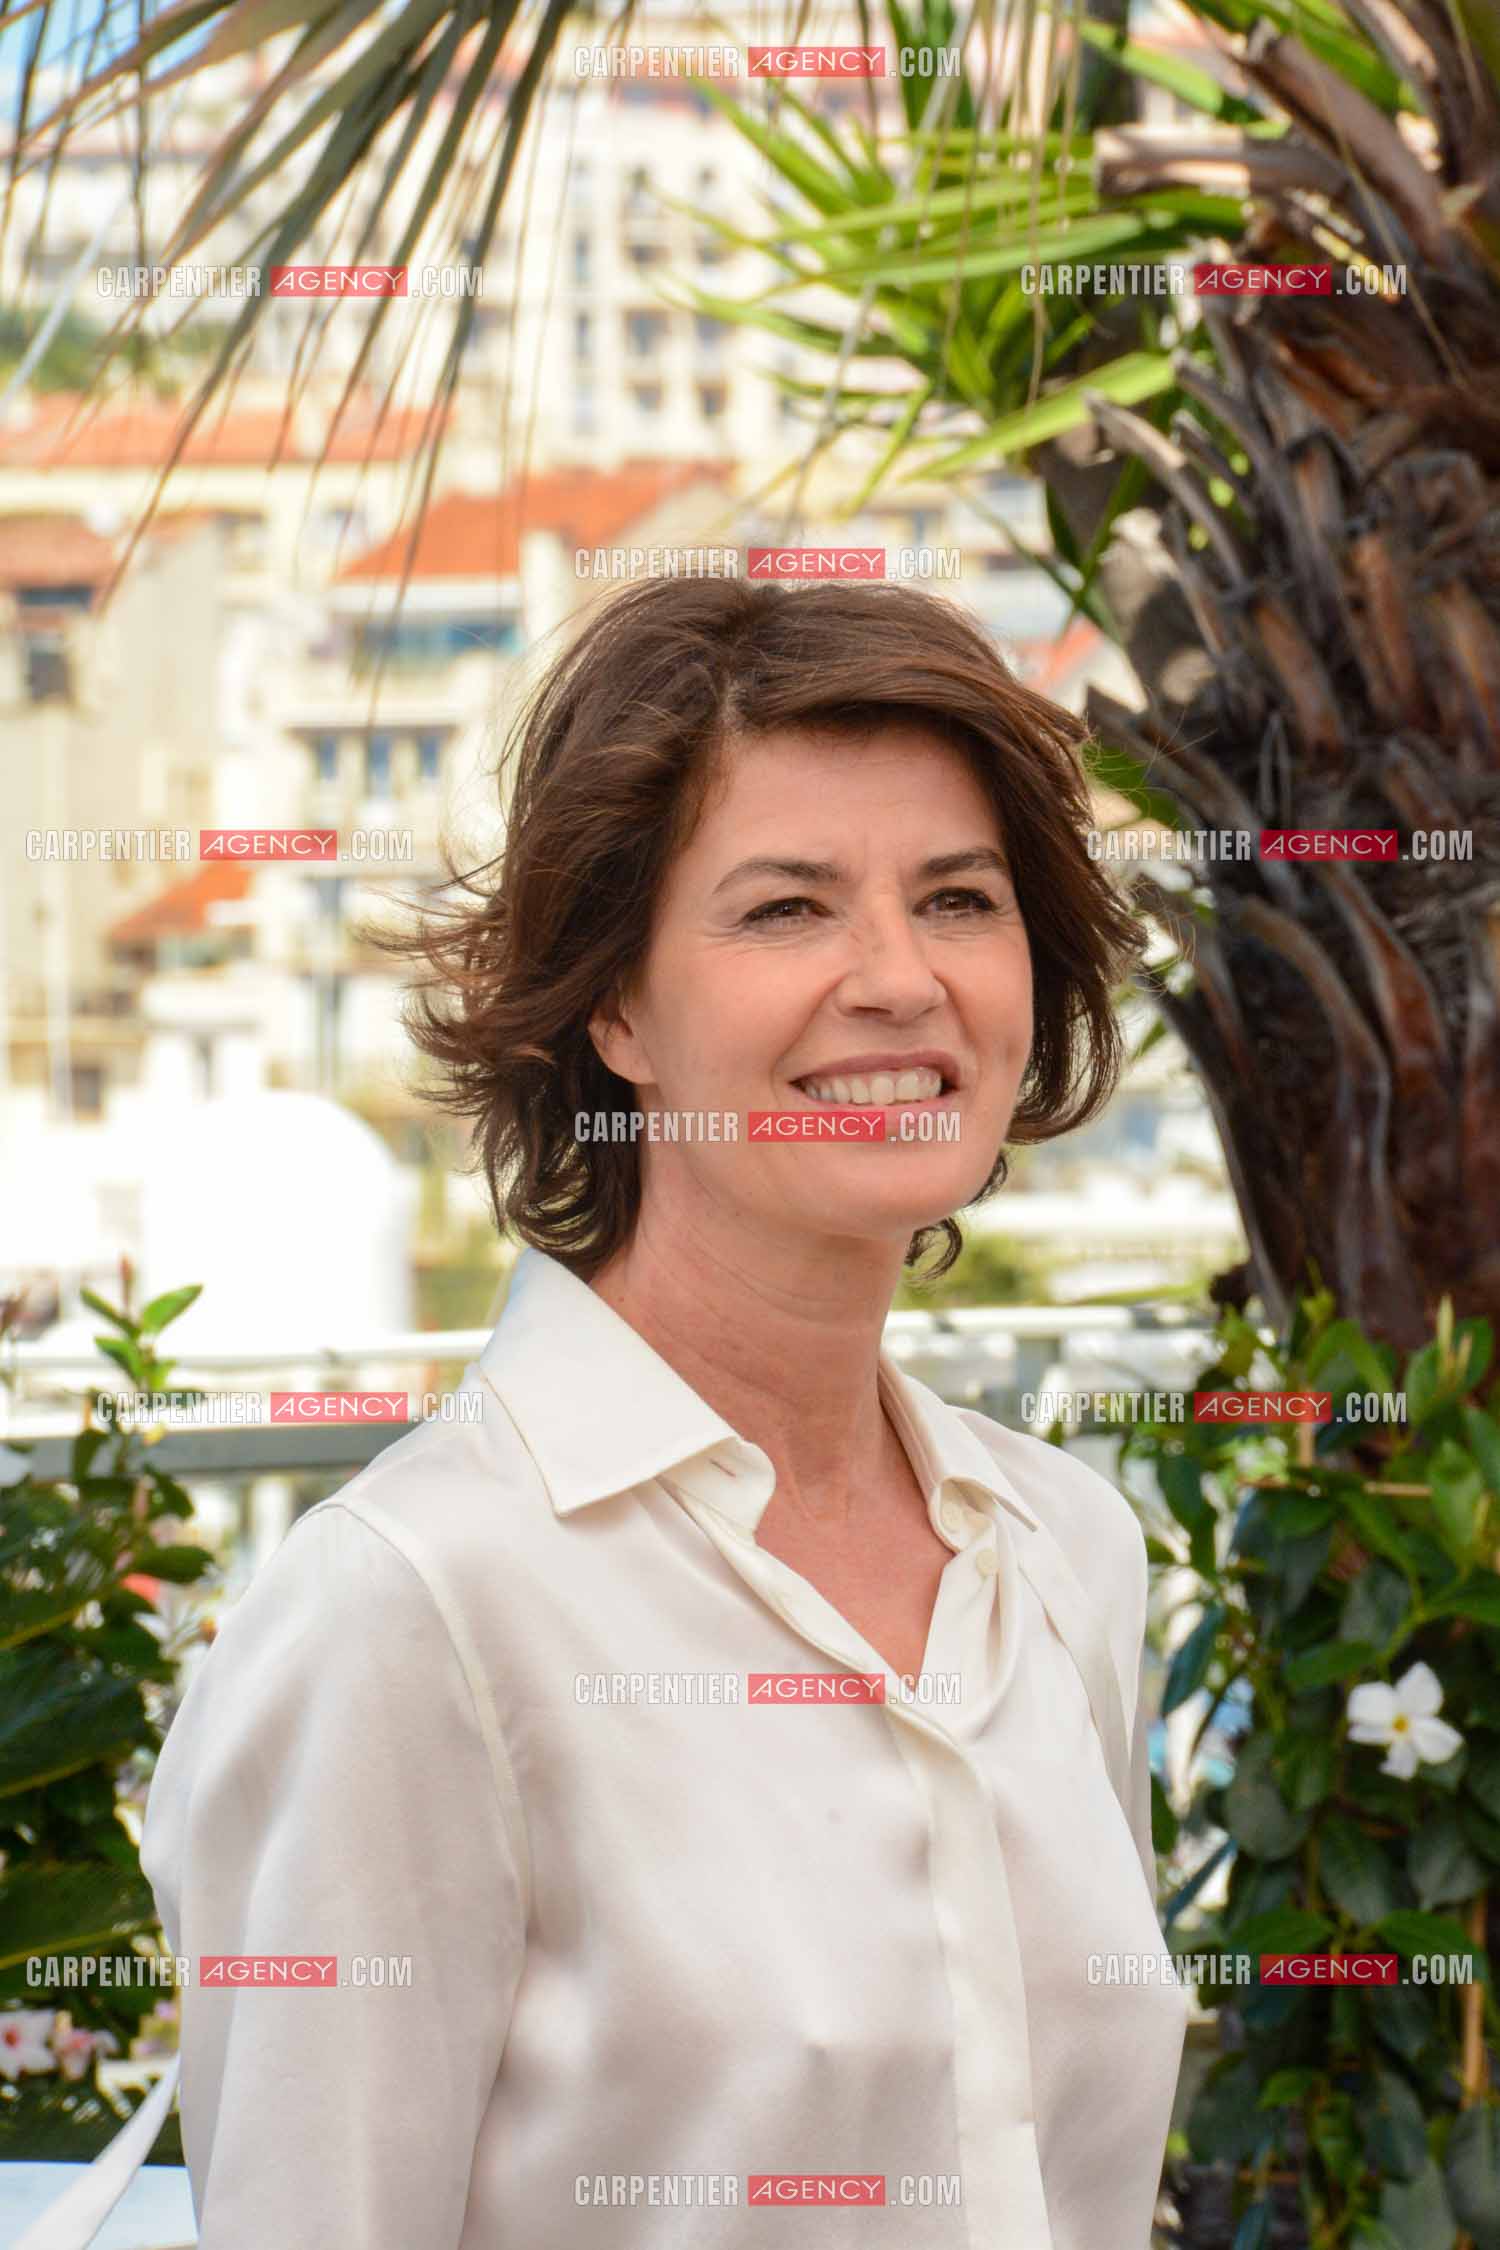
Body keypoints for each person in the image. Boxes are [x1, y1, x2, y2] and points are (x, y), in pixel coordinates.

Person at [137, 574, 1190, 2247]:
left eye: (960, 899)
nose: (902, 979)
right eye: (787, 908)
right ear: (613, 1006)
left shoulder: (1064, 1550)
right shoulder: (414, 1609)